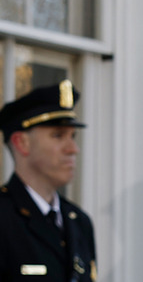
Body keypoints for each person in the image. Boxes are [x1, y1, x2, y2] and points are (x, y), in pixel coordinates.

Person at [0, 80, 97, 282]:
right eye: (58, 136)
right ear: (22, 143)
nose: (73, 149)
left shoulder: (79, 221)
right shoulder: (4, 217)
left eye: (73, 137)